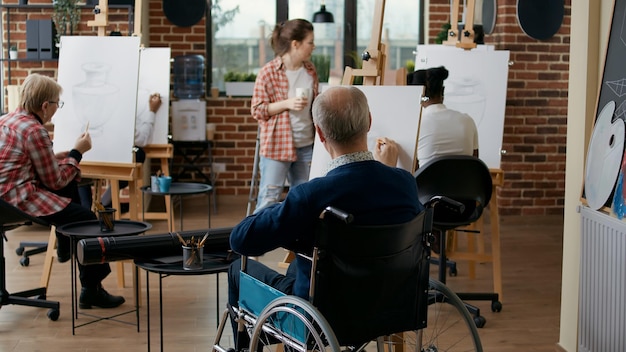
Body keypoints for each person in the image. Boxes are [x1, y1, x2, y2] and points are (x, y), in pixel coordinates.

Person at [227, 86, 424, 348]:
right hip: (388, 306)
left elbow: (241, 240)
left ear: (319, 133)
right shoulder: (405, 183)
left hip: (321, 317)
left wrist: (277, 206)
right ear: (369, 122)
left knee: (236, 271)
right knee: (299, 267)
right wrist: (386, 171)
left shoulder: (312, 196)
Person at [0, 73, 125, 309]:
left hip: (3, 197)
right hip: (16, 200)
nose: (58, 108)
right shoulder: (35, 131)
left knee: (71, 185)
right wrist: (77, 152)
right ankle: (91, 289)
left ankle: (65, 239)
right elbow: (55, 181)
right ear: (45, 106)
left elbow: (22, 163)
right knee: (87, 220)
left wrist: (58, 158)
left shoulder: (6, 120)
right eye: (58, 103)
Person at [251, 18, 319, 212]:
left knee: (305, 201)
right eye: (310, 42)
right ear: (295, 44)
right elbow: (257, 110)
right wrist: (287, 104)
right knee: (268, 200)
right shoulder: (268, 73)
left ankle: (299, 242)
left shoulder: (310, 71)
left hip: (306, 144)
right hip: (277, 145)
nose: (313, 47)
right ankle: (256, 242)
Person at [79, 92, 163, 211]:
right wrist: (152, 112)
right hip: (108, 159)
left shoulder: (81, 110)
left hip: (84, 160)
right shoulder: (118, 112)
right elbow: (142, 139)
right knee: (138, 154)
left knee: (77, 162)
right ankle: (100, 204)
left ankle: (91, 206)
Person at [408, 66, 479, 169]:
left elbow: (409, 169)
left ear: (416, 94)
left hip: (425, 185)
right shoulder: (467, 121)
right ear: (443, 91)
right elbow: (475, 164)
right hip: (463, 185)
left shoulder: (416, 125)